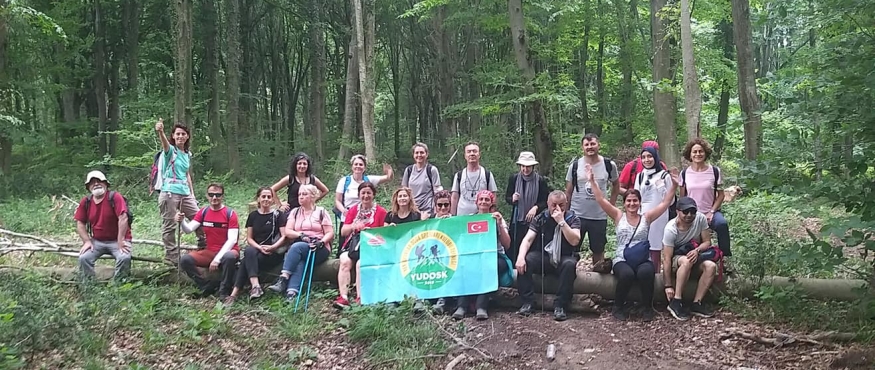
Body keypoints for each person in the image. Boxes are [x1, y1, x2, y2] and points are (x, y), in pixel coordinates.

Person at [589, 163, 678, 321]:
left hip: (643, 257)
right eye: (629, 201)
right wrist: (592, 181)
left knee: (646, 273)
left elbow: (665, 204)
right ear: (624, 203)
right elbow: (600, 199)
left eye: (635, 201)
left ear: (640, 202)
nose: (632, 204)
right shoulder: (618, 216)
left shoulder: (647, 217)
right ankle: (618, 306)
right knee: (627, 274)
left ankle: (646, 307)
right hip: (622, 257)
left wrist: (674, 185)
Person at [515, 191, 581, 321]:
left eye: (561, 205)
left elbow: (575, 240)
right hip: (543, 257)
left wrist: (562, 222)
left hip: (563, 257)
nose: (557, 208)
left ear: (566, 204)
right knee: (526, 259)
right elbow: (528, 239)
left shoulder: (573, 219)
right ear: (548, 204)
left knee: (570, 264)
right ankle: (528, 302)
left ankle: (561, 305)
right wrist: (520, 257)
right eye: (554, 205)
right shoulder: (541, 218)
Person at [267, 184, 335, 302]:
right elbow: (288, 231)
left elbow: (330, 233)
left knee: (296, 247)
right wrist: (300, 235)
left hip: (319, 248)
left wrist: (321, 242)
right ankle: (292, 293)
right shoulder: (295, 212)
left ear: (313, 196)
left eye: (304, 194)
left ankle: (283, 278)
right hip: (302, 246)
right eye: (299, 194)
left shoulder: (321, 212)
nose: (301, 197)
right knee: (300, 260)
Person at [452, 190, 511, 321]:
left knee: (488, 266)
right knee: (464, 266)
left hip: (496, 256)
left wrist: (500, 225)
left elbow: (507, 244)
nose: (483, 202)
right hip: (474, 256)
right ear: (476, 202)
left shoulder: (496, 218)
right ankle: (462, 306)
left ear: (491, 203)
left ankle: (481, 306)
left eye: (487, 199)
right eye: (481, 199)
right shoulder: (469, 219)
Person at [175, 183, 240, 300]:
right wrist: (182, 221)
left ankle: (224, 291)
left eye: (218, 195)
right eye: (211, 195)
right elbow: (189, 229)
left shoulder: (230, 213)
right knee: (185, 260)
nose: (214, 198)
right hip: (210, 251)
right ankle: (206, 285)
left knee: (229, 257)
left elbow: (232, 239)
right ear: (207, 196)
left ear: (222, 196)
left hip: (229, 251)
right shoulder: (204, 212)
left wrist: (217, 259)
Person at [225, 187, 289, 305]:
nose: (266, 199)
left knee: (246, 259)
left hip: (273, 253)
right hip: (256, 252)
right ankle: (255, 286)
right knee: (250, 252)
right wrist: (259, 248)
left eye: (269, 197)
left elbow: (284, 236)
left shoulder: (278, 215)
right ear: (258, 199)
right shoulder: (253, 216)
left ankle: (235, 294)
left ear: (272, 199)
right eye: (263, 196)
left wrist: (273, 247)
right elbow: (249, 238)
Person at [565, 133, 619, 271]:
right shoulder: (575, 166)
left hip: (599, 216)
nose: (590, 147)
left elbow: (616, 186)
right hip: (577, 215)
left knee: (598, 249)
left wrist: (611, 207)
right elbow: (568, 191)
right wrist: (566, 212)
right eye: (587, 145)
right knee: (571, 248)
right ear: (582, 147)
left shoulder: (608, 165)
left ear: (598, 145)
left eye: (592, 144)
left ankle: (598, 280)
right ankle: (569, 275)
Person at [155, 118, 205, 264]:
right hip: (169, 192)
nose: (180, 136)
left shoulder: (187, 154)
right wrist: (161, 132)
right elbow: (164, 144)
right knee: (170, 224)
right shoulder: (170, 150)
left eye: (183, 134)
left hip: (184, 192)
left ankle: (203, 245)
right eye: (177, 134)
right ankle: (172, 257)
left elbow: (186, 174)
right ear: (173, 136)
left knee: (198, 217)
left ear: (187, 136)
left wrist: (192, 193)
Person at [662, 196, 718, 320]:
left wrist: (697, 250)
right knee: (686, 261)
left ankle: (696, 303)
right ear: (678, 211)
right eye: (685, 212)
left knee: (711, 266)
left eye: (692, 212)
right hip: (677, 258)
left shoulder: (700, 219)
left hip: (695, 253)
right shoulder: (670, 229)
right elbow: (666, 258)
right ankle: (676, 301)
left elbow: (707, 241)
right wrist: (668, 285)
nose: (689, 215)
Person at [334, 182, 387, 308]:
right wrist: (354, 226)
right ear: (359, 195)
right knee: (345, 260)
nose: (366, 196)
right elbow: (343, 232)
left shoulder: (381, 212)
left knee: (360, 264)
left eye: (369, 193)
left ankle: (361, 297)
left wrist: (372, 233)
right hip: (353, 245)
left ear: (374, 195)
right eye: (363, 193)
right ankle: (344, 297)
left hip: (372, 247)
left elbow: (385, 234)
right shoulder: (353, 210)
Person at [75, 170, 132, 280]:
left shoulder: (115, 197)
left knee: (124, 258)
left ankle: (119, 286)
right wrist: (87, 241)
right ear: (88, 187)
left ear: (106, 183)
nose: (96, 184)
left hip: (118, 240)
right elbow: (80, 222)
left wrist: (121, 240)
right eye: (92, 182)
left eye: (99, 181)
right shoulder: (86, 202)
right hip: (97, 241)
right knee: (84, 258)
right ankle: (89, 285)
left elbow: (123, 218)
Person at [679, 138, 731, 258]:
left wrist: (711, 212)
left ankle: (725, 258)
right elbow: (683, 198)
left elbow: (721, 195)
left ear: (705, 153)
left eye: (700, 151)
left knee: (722, 224)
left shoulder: (714, 171)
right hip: (691, 214)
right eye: (695, 152)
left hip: (710, 212)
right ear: (690, 155)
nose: (698, 154)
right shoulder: (685, 173)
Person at [504, 151, 549, 263]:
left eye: (528, 166)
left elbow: (546, 201)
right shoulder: (514, 179)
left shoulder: (540, 180)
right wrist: (512, 199)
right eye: (523, 166)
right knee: (514, 246)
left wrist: (536, 207)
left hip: (534, 221)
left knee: (532, 247)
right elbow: (507, 198)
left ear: (533, 166)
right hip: (517, 219)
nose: (525, 169)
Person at [633, 146, 672, 270]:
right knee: (642, 244)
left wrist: (661, 187)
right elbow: (636, 197)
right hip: (642, 215)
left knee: (655, 246)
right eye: (643, 157)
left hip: (659, 216)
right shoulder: (640, 176)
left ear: (655, 157)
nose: (646, 160)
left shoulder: (664, 175)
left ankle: (656, 275)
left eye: (649, 156)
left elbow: (670, 201)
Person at [334, 155, 393, 219]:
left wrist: (389, 171)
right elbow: (337, 200)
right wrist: (343, 211)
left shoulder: (369, 179)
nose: (358, 166)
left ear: (364, 168)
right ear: (352, 166)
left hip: (365, 218)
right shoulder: (344, 181)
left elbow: (388, 178)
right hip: (347, 217)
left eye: (361, 164)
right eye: (356, 164)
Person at [451, 141, 498, 216]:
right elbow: (454, 197)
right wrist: (452, 216)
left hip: (482, 216)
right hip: (462, 216)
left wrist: (491, 215)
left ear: (479, 155)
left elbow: (493, 196)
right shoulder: (459, 175)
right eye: (469, 152)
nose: (472, 154)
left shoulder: (487, 174)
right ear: (465, 155)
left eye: (475, 151)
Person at [401, 143, 443, 215]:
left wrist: (437, 210)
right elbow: (404, 190)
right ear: (413, 155)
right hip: (412, 210)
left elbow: (437, 192)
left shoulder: (431, 170)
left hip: (427, 210)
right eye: (416, 153)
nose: (419, 155)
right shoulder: (408, 170)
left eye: (422, 152)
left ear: (426, 154)